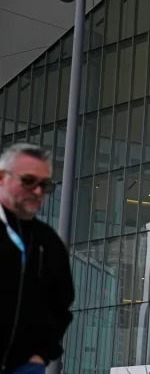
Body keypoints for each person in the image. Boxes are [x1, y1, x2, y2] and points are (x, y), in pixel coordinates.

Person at [0, 143, 74, 374]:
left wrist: (41, 354)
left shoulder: (47, 241)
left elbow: (61, 302)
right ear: (2, 178)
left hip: (24, 367)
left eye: (45, 185)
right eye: (29, 181)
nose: (38, 191)